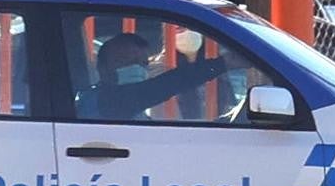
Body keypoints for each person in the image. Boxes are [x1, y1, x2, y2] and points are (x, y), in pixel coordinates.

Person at [78, 31, 245, 121]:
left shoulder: (134, 109)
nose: (135, 67)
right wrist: (224, 63)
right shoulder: (103, 101)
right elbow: (166, 85)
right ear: (102, 68)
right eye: (125, 61)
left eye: (142, 63)